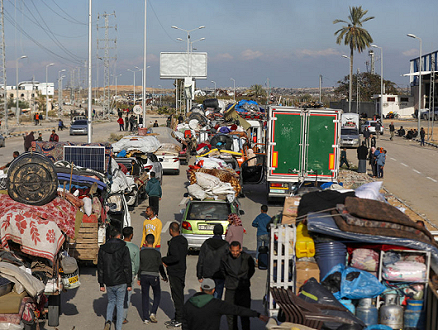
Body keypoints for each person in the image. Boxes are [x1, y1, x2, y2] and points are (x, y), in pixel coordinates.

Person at [182, 278, 268, 330]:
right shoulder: (217, 305)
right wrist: (257, 314)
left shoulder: (189, 303)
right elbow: (237, 310)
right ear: (213, 290)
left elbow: (185, 324)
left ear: (201, 289)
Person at [97, 227, 132, 330]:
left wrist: (101, 283)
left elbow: (100, 267)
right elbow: (127, 266)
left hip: (109, 280)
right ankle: (118, 327)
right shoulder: (124, 248)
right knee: (120, 304)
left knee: (111, 301)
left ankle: (108, 320)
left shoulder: (103, 249)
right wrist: (129, 283)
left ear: (110, 236)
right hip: (121, 280)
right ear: (119, 236)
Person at [221, 241, 256, 330]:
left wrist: (245, 279)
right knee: (230, 313)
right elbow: (223, 271)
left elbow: (251, 270)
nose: (235, 253)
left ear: (240, 249)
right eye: (233, 251)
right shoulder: (225, 258)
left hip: (243, 289)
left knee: (244, 313)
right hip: (230, 288)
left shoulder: (247, 258)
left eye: (237, 251)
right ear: (230, 249)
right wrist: (229, 280)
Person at [162, 222, 188, 328]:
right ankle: (179, 316)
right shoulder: (184, 240)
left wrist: (164, 260)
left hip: (175, 272)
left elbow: (175, 257)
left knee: (176, 296)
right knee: (179, 294)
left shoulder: (174, 242)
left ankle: (179, 319)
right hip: (181, 270)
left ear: (171, 230)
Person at [138, 234, 167, 324]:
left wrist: (139, 277)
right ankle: (153, 312)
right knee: (157, 294)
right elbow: (160, 266)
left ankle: (145, 318)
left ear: (145, 242)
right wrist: (164, 276)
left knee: (145, 296)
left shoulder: (141, 252)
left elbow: (140, 266)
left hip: (144, 275)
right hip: (154, 276)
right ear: (153, 242)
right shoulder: (157, 253)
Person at [196, 224, 229, 299]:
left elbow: (201, 260)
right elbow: (228, 262)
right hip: (220, 274)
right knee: (218, 296)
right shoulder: (226, 245)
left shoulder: (206, 243)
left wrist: (199, 275)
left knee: (207, 296)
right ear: (222, 232)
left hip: (208, 274)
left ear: (213, 232)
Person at [122, 227, 139, 325]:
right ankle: (123, 316)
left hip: (119, 273)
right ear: (131, 235)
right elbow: (136, 264)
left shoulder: (120, 246)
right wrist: (135, 273)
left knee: (119, 295)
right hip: (130, 274)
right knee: (127, 296)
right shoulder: (135, 248)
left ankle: (117, 313)